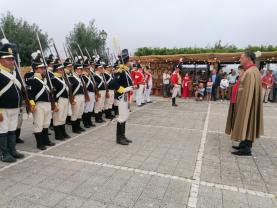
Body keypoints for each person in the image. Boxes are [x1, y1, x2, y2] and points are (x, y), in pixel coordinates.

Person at [225, 52, 263, 156]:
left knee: (247, 120)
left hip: (246, 103)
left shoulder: (250, 72)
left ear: (248, 58)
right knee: (247, 122)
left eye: (242, 58)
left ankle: (246, 148)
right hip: (245, 102)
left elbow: (247, 91)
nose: (240, 60)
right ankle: (244, 143)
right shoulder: (251, 70)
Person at [0, 39, 24, 162]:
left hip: (15, 108)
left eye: (12, 59)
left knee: (12, 129)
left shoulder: (14, 73)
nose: (11, 61)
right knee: (3, 131)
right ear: (1, 60)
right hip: (2, 108)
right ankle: (4, 153)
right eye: (8, 59)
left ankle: (12, 150)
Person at [27, 51, 57, 150]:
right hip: (39, 105)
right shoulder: (32, 80)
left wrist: (54, 103)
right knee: (38, 124)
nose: (44, 69)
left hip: (48, 104)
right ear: (36, 69)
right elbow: (30, 95)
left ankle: (46, 140)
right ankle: (39, 143)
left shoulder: (46, 80)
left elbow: (51, 93)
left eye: (44, 68)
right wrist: (32, 104)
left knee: (46, 123)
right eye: (41, 68)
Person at [110, 50, 133, 145]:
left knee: (125, 116)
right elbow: (112, 83)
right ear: (126, 61)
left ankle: (123, 136)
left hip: (126, 97)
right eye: (129, 60)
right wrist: (123, 90)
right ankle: (119, 138)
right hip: (122, 97)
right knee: (122, 117)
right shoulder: (121, 71)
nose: (130, 62)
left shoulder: (125, 71)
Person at [51, 62, 71, 140]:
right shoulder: (53, 79)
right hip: (59, 100)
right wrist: (55, 103)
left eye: (62, 69)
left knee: (63, 117)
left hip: (65, 99)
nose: (62, 70)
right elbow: (53, 92)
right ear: (56, 70)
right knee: (57, 118)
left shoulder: (62, 78)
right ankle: (58, 135)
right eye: (60, 69)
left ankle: (63, 132)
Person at [68, 58, 86, 133]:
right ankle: (75, 129)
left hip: (81, 96)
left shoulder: (80, 77)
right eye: (79, 69)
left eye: (81, 69)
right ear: (75, 70)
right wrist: (72, 99)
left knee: (80, 112)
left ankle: (78, 127)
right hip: (76, 97)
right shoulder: (71, 78)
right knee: (75, 113)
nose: (80, 70)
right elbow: (70, 89)